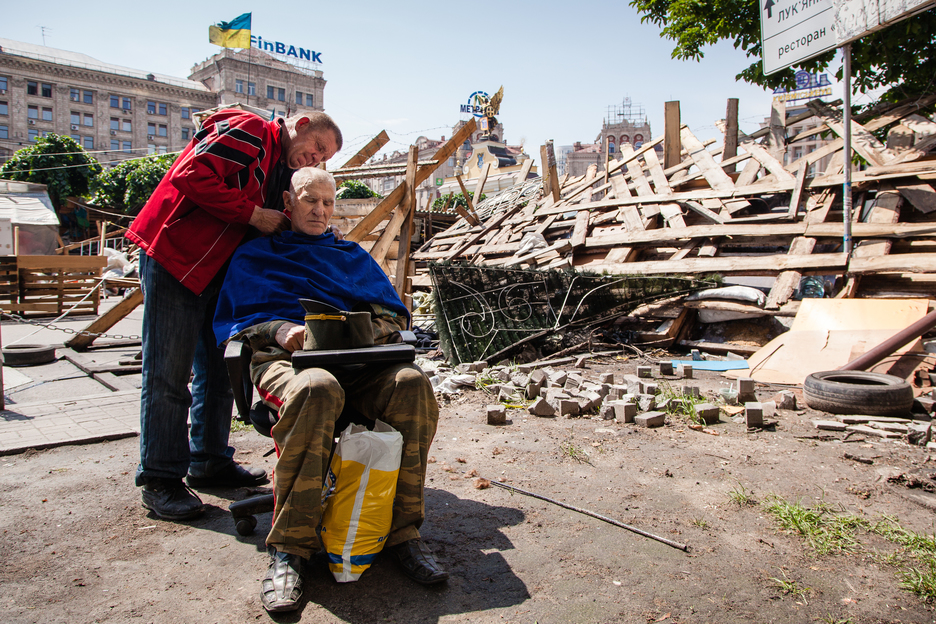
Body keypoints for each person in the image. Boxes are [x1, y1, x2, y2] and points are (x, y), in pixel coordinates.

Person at [213, 168, 446, 613]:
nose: (319, 211)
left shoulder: (351, 257)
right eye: (309, 201)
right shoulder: (256, 256)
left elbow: (394, 317)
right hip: (286, 362)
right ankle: (290, 550)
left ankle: (402, 533)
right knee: (317, 389)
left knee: (412, 384)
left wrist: (365, 330)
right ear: (288, 200)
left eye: (326, 202)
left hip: (358, 366)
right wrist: (280, 329)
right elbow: (236, 325)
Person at [126, 109, 343, 521]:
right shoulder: (254, 130)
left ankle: (208, 460)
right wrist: (252, 215)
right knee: (168, 375)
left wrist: (321, 231)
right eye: (316, 148)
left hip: (218, 270)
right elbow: (190, 174)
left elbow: (289, 215)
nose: (313, 159)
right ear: (299, 126)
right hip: (176, 257)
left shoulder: (280, 168)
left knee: (218, 367)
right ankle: (160, 480)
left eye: (321, 158)